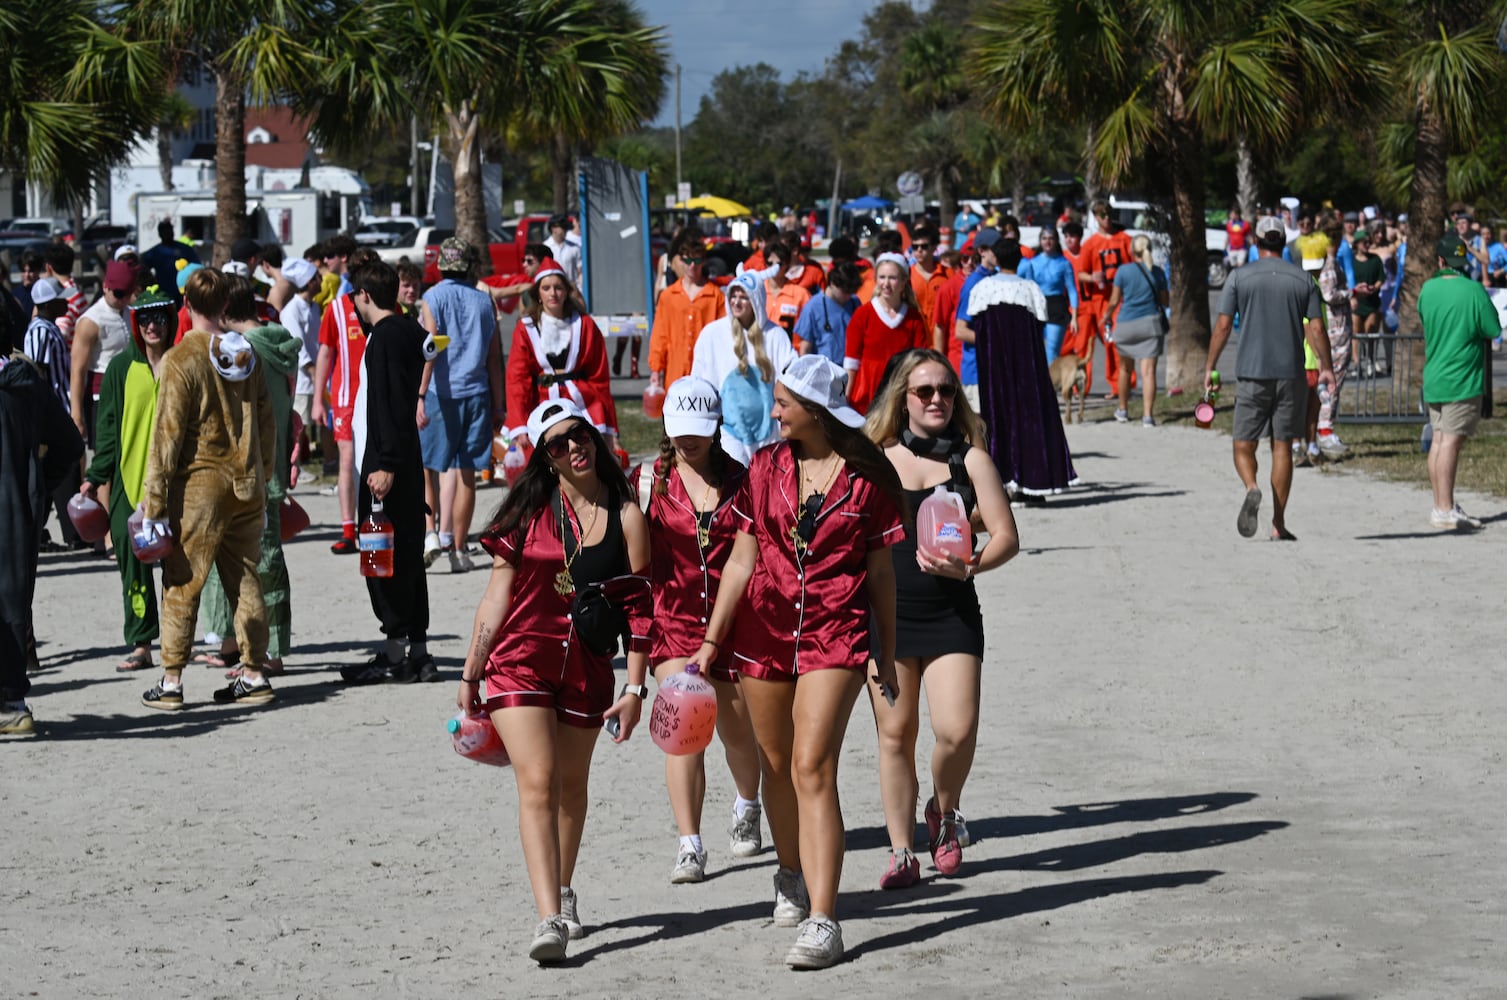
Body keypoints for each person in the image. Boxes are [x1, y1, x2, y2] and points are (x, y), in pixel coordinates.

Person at [685, 354, 905, 970]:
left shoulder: (868, 474)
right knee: (776, 766)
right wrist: (709, 641)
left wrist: (883, 652)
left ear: (816, 410)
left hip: (838, 631)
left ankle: (824, 920)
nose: (773, 410)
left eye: (784, 401)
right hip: (765, 629)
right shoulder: (765, 466)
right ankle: (790, 871)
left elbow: (882, 573)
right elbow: (740, 559)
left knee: (812, 766)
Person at [458, 398, 652, 964]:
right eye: (561, 442)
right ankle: (548, 918)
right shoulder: (526, 516)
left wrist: (635, 688)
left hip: (588, 667)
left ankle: (564, 888)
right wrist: (473, 669)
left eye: (581, 435)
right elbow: (496, 597)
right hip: (519, 659)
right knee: (538, 780)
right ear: (546, 458)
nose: (575, 447)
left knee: (571, 785)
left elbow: (641, 610)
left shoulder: (626, 515)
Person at [862, 349, 1018, 885]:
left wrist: (970, 566)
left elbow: (1007, 537)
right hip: (887, 616)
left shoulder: (969, 460)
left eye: (946, 391)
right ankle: (902, 851)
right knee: (895, 735)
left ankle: (944, 812)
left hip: (951, 612)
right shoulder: (875, 457)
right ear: (902, 399)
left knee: (956, 730)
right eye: (924, 391)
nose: (937, 400)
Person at [636, 376, 764, 882]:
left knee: (737, 733)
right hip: (673, 622)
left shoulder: (744, 480)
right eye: (679, 430)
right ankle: (690, 843)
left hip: (734, 623)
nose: (688, 440)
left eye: (699, 430)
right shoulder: (648, 481)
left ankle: (748, 804)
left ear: (716, 426)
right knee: (683, 727)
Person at [137, 268, 279, 710]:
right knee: (246, 578)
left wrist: (154, 502)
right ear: (224, 306)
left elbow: (167, 437)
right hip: (246, 483)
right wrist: (264, 472)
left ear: (187, 304)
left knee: (182, 581)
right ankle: (254, 672)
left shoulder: (182, 358)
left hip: (199, 485)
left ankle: (172, 679)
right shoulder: (246, 356)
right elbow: (268, 422)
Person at [193, 278, 301, 677]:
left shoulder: (245, 352)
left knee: (259, 563)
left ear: (223, 309)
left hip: (247, 470)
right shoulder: (276, 344)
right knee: (256, 559)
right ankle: (239, 643)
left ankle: (267, 651)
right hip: (266, 468)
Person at [1204, 216, 1335, 541]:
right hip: (1290, 373)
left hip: (1251, 371)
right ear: (1283, 242)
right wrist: (1327, 365)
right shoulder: (1303, 279)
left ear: (1257, 242)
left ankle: (1252, 486)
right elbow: (1317, 328)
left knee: (1243, 444)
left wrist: (1210, 366)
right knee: (1282, 447)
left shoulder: (1239, 277)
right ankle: (1278, 524)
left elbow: (1222, 326)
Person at [343, 260, 436, 681]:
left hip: (385, 466)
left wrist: (384, 465)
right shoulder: (408, 331)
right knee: (410, 558)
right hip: (408, 461)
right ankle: (418, 648)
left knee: (382, 561)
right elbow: (429, 343)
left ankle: (396, 651)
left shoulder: (381, 339)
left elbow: (386, 406)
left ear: (365, 295)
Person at [80, 289, 175, 673]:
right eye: (146, 319)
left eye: (160, 318)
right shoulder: (119, 368)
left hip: (176, 488)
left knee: (179, 568)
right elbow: (106, 430)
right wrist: (95, 476)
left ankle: (175, 640)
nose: (153, 326)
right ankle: (141, 643)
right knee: (132, 570)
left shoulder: (182, 362)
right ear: (136, 323)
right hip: (128, 486)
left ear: (170, 321)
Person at [0, 327, 85, 735]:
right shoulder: (29, 382)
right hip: (19, 505)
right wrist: (37, 485)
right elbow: (68, 444)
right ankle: (12, 700)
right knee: (14, 599)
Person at [965, 239, 1078, 502]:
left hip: (995, 371)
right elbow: (1040, 326)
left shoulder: (983, 289)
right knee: (1028, 420)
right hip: (1027, 369)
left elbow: (976, 327)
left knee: (998, 420)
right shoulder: (1030, 289)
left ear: (996, 258)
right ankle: (1030, 481)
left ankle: (1001, 482)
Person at [418, 238, 501, 572]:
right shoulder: (484, 301)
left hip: (441, 392)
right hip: (478, 392)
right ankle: (459, 549)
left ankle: (431, 534)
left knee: (428, 466)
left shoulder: (433, 297)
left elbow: (431, 348)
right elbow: (495, 359)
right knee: (467, 473)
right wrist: (501, 404)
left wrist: (420, 394)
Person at [1419, 235, 1498, 530]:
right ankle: (1444, 508)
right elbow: (1492, 327)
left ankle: (1442, 503)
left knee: (1438, 440)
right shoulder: (1473, 290)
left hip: (1435, 375)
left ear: (1440, 261)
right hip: (1462, 377)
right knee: (1450, 441)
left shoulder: (1427, 289)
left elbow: (1425, 317)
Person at [502, 258, 618, 455]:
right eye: (546, 288)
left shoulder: (585, 325)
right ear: (537, 292)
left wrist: (608, 424)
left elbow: (599, 377)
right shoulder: (526, 328)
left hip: (582, 403)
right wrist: (519, 423)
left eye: (558, 287)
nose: (553, 294)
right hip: (541, 402)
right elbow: (517, 379)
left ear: (566, 291)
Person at [691, 271, 797, 465]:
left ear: (756, 300)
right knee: (735, 480)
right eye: (733, 296)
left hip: (767, 429)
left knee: (765, 481)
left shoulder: (775, 335)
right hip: (728, 430)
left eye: (744, 297)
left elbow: (791, 376)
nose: (736, 302)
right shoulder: (713, 334)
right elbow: (698, 380)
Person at [843, 253, 929, 413]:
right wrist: (845, 398)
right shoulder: (863, 314)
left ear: (904, 282)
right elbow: (851, 363)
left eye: (892, 278)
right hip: (866, 393)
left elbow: (920, 360)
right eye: (882, 277)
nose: (886, 283)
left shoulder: (914, 318)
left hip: (900, 389)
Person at [1068, 201, 1135, 396]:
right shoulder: (1091, 244)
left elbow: (1134, 266)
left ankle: (1121, 386)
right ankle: (1080, 387)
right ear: (1096, 218)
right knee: (1086, 345)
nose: (1106, 219)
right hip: (1099, 302)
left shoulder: (1124, 239)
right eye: (1102, 215)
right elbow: (1080, 274)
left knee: (1116, 342)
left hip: (1120, 300)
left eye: (1108, 214)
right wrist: (1092, 277)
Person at [70, 260, 138, 445]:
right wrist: (76, 415)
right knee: (106, 456)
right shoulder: (90, 321)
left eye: (128, 294)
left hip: (130, 393)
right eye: (118, 294)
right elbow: (77, 370)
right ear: (105, 287)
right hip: (101, 399)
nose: (123, 299)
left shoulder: (128, 311)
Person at [648, 230, 726, 390]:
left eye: (697, 260)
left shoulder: (716, 295)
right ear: (681, 261)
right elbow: (659, 335)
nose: (692, 265)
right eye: (688, 260)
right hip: (675, 374)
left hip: (707, 375)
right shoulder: (668, 296)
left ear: (703, 261)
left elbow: (723, 337)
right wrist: (655, 370)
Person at [1104, 233, 1168, 426]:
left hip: (1126, 325)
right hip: (1150, 325)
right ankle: (1147, 416)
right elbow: (1165, 301)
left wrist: (1106, 316)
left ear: (1132, 251)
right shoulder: (1158, 272)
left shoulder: (1123, 271)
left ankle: (1123, 410)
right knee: (1148, 372)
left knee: (1124, 369)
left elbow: (1115, 300)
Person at [954, 231, 1002, 409]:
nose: (1000, 253)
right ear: (982, 251)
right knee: (980, 432)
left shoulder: (996, 278)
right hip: (975, 372)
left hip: (994, 369)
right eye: (995, 249)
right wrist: (993, 340)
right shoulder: (973, 283)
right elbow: (960, 330)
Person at [1020, 226, 1079, 362]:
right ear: (1040, 241)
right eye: (1044, 238)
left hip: (1056, 305)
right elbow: (1026, 287)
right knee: (1034, 348)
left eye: (1051, 238)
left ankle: (1050, 380)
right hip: (1037, 304)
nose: (1048, 242)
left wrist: (1074, 316)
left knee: (1052, 349)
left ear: (1057, 241)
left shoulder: (1064, 263)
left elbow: (1072, 290)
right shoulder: (1032, 263)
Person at [794, 261, 861, 366]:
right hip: (825, 370)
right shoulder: (812, 307)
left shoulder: (854, 302)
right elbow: (805, 350)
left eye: (852, 291)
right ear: (832, 283)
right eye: (845, 291)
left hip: (851, 368)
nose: (848, 295)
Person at [140, 221, 200, 307]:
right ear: (160, 234)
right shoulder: (155, 252)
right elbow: (142, 266)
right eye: (164, 231)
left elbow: (196, 267)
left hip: (183, 292)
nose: (167, 234)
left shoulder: (185, 249)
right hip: (163, 293)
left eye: (169, 231)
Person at [762, 240, 811, 340]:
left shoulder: (801, 295)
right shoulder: (757, 292)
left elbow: (810, 330)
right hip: (761, 351)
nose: (774, 268)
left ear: (787, 264)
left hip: (791, 352)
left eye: (779, 264)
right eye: (769, 263)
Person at [907, 226, 950, 333]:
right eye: (915, 247)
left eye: (924, 246)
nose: (919, 250)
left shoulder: (948, 274)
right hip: (918, 336)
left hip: (943, 336)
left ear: (934, 247)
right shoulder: (906, 276)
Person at [543, 216, 581, 287]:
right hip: (552, 288)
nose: (565, 230)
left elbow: (580, 272)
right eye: (562, 227)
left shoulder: (575, 248)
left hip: (571, 288)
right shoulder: (545, 247)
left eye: (566, 227)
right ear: (553, 228)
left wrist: (580, 288)